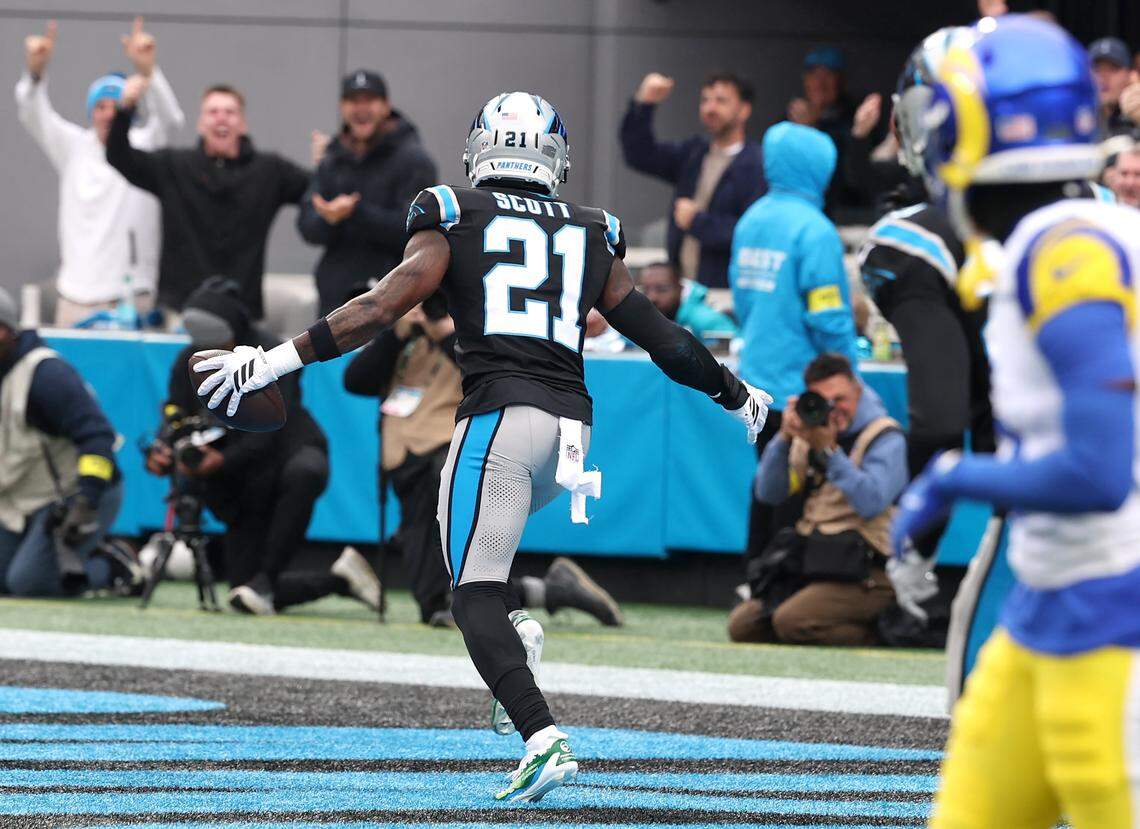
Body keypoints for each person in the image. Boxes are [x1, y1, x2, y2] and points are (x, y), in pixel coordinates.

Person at [192, 91, 770, 803]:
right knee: (480, 580)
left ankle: (541, 735)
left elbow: (379, 308)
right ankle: (517, 645)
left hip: (498, 422)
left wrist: (273, 360)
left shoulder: (455, 214)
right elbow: (665, 340)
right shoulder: (593, 230)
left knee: (468, 596)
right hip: (569, 439)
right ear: (552, 155)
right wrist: (735, 393)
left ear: (480, 148)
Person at [890, 16, 1140, 826]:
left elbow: (1099, 471)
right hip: (1044, 608)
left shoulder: (1063, 250)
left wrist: (959, 475)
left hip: (1115, 622)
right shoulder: (1064, 234)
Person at [343, 292, 625, 631]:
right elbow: (355, 380)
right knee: (432, 599)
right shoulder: (405, 337)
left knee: (459, 564)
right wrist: (394, 331)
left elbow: (485, 373)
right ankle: (553, 590)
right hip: (403, 455)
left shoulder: (478, 333)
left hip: (450, 448)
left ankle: (532, 595)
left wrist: (446, 332)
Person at [146, 279, 379, 615]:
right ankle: (338, 579)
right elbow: (176, 414)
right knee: (243, 590)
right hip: (238, 473)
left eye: (219, 340)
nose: (212, 348)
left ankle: (267, 579)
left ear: (236, 330)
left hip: (285, 453)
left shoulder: (274, 355)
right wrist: (165, 448)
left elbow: (269, 433)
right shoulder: (191, 359)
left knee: (305, 472)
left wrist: (220, 461)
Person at [858, 28, 994, 592]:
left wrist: (913, 543)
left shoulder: (914, 239)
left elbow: (942, 420)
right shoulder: (1106, 210)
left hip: (1062, 499)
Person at [729, 120, 859, 595]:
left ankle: (754, 574)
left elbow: (743, 300)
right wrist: (848, 370)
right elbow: (827, 316)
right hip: (803, 381)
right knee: (798, 485)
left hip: (755, 380)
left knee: (768, 477)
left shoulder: (752, 219)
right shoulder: (816, 231)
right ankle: (779, 581)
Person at [15, 17, 184, 326]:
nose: (108, 113)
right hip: (75, 298)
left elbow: (170, 119)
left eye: (115, 105)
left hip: (133, 299)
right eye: (100, 106)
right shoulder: (73, 147)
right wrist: (35, 73)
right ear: (91, 112)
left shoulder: (145, 146)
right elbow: (32, 111)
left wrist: (148, 72)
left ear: (129, 108)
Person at [729, 354, 907, 646]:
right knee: (743, 626)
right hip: (815, 561)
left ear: (858, 391)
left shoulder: (885, 437)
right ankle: (812, 617)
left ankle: (883, 630)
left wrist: (829, 452)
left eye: (842, 399)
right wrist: (784, 439)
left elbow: (871, 501)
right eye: (826, 400)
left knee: (790, 621)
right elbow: (768, 493)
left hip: (868, 573)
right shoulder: (809, 434)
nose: (835, 409)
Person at [105, 80, 309, 320]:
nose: (221, 119)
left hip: (241, 316)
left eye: (230, 112)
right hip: (181, 312)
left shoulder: (270, 171)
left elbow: (315, 189)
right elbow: (119, 156)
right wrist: (125, 109)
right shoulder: (174, 166)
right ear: (201, 124)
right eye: (213, 112)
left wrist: (329, 164)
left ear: (242, 124)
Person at [0, 288, 130, 597]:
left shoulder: (45, 375)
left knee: (29, 584)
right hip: (19, 498)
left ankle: (115, 568)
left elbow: (98, 438)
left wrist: (86, 502)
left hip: (73, 496)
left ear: (4, 331)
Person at [299, 70, 437, 315]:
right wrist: (330, 219)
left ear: (385, 106)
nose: (361, 108)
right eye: (353, 101)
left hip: (391, 301)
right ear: (342, 107)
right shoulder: (332, 158)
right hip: (334, 302)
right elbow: (308, 227)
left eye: (369, 100)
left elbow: (413, 229)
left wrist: (355, 212)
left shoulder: (413, 159)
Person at [619, 71, 765, 300]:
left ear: (744, 110)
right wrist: (644, 103)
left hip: (726, 295)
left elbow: (752, 233)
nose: (710, 108)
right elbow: (640, 154)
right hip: (682, 294)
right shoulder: (695, 153)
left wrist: (698, 222)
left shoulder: (757, 165)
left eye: (721, 100)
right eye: (705, 100)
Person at [787, 46, 882, 221]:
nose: (820, 83)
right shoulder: (789, 121)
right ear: (805, 80)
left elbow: (851, 176)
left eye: (828, 75)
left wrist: (813, 128)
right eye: (814, 75)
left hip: (844, 215)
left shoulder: (856, 118)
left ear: (841, 81)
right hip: (799, 211)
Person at [636, 262, 737, 340]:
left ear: (680, 288)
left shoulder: (705, 320)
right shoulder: (640, 317)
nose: (652, 298)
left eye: (662, 289)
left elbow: (736, 354)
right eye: (646, 290)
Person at [1089, 37, 1137, 139]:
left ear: (1130, 76)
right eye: (1096, 69)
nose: (1103, 76)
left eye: (1113, 69)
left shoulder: (1136, 119)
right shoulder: (1076, 119)